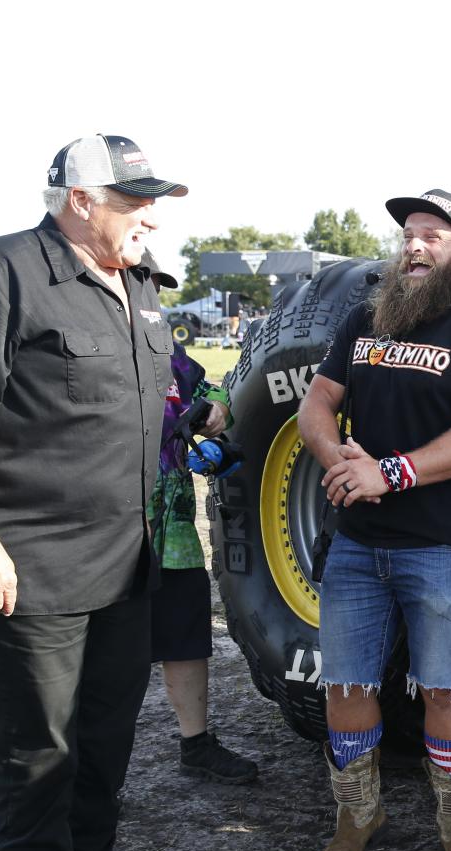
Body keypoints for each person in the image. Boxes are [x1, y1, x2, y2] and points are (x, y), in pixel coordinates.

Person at [297, 189, 451, 851]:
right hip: (359, 546)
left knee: (441, 687)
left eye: (435, 235)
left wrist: (389, 474)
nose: (415, 245)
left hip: (442, 547)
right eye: (409, 235)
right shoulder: (365, 320)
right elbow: (318, 402)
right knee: (345, 683)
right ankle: (357, 816)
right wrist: (338, 461)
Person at [0, 135, 187, 851]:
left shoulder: (139, 283)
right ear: (80, 201)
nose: (149, 213)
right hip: (35, 564)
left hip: (125, 560)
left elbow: (161, 394)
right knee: (38, 748)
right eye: (131, 199)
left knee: (108, 733)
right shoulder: (11, 272)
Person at [144, 257, 258, 785]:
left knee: (187, 633)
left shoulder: (172, 355)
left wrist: (214, 414)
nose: (151, 297)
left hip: (176, 533)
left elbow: (213, 393)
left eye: (156, 288)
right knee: (105, 647)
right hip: (119, 523)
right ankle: (76, 764)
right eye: (141, 284)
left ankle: (196, 744)